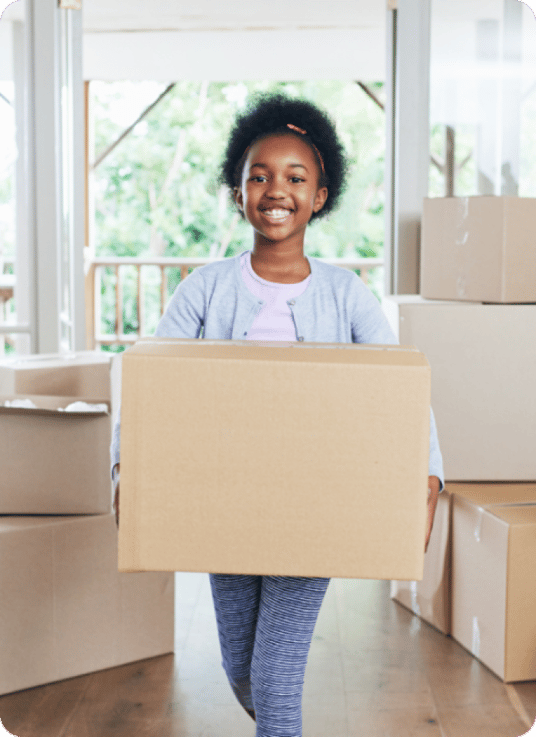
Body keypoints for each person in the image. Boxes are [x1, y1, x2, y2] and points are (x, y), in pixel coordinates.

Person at [111, 92, 444, 737]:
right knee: (241, 669)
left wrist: (426, 478)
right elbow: (150, 384)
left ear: (321, 195)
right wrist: (126, 464)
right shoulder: (203, 289)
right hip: (221, 505)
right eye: (258, 176)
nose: (276, 190)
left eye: (296, 177)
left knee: (276, 682)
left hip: (314, 508)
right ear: (237, 193)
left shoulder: (347, 294)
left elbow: (401, 389)